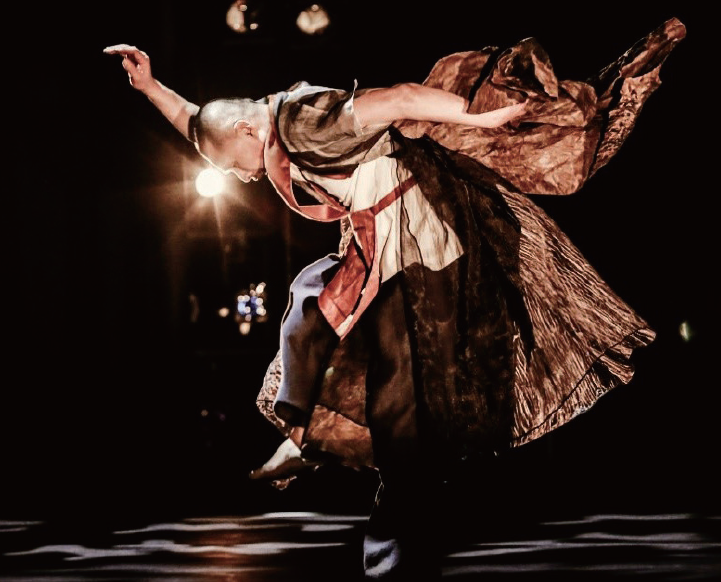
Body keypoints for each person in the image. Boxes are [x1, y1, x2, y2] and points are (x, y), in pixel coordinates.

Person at [104, 16, 685, 579]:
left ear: (248, 131)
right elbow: (201, 124)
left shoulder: (306, 122)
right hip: (380, 250)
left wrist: (479, 117)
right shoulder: (259, 123)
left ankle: (376, 519)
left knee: (397, 407)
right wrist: (153, 88)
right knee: (317, 315)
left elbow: (401, 97)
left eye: (237, 166)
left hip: (418, 253)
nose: (243, 177)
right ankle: (307, 440)